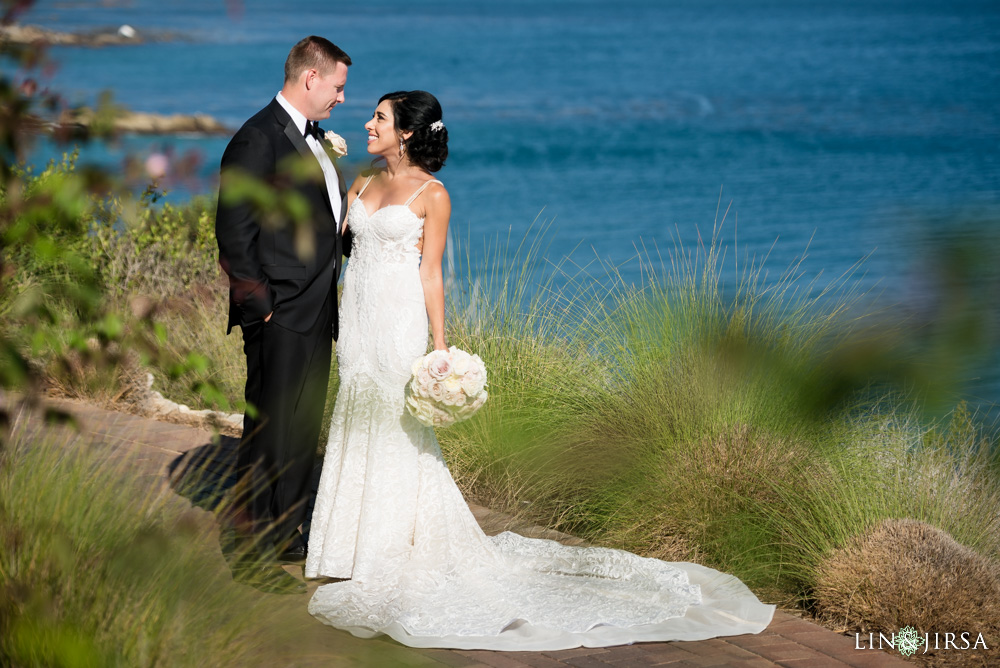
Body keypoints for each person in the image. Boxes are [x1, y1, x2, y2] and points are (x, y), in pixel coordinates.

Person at [305, 90, 775, 649]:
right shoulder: (360, 180)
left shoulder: (434, 195)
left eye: (378, 117)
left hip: (397, 322)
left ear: (405, 133)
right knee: (357, 409)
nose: (367, 123)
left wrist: (440, 348)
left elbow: (431, 274)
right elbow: (339, 245)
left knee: (399, 427)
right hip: (357, 319)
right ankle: (348, 544)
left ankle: (385, 549)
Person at [215, 36, 351, 595]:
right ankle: (250, 550)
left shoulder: (311, 138)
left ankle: (286, 528)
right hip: (280, 311)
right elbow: (234, 231)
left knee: (300, 425)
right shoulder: (257, 138)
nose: (343, 99)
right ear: (310, 78)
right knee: (268, 429)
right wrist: (261, 309)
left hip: (318, 308)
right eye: (338, 87)